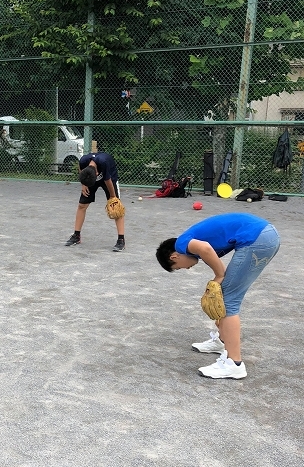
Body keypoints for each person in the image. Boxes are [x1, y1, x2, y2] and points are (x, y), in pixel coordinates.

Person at [156, 212, 280, 379]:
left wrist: (219, 275)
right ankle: (221, 341)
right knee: (226, 295)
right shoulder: (189, 243)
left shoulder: (181, 244)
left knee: (229, 301)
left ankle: (234, 364)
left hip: (258, 238)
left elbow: (206, 249)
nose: (185, 269)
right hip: (265, 235)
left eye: (178, 267)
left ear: (174, 256)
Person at [65, 152, 126, 251]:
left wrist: (113, 198)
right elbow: (81, 171)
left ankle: (121, 240)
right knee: (82, 205)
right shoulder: (83, 161)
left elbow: (108, 181)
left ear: (97, 173)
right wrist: (84, 184)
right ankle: (76, 236)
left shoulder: (104, 162)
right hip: (90, 178)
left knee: (116, 208)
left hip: (110, 179)